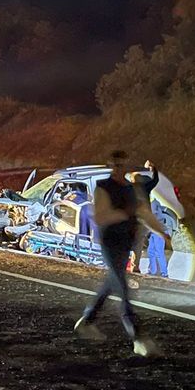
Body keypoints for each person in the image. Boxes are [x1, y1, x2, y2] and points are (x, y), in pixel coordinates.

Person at [73, 150, 171, 357]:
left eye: (123, 165)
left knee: (112, 283)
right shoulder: (103, 188)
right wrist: (123, 213)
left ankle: (87, 321)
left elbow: (143, 212)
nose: (120, 169)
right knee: (123, 287)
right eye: (116, 165)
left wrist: (161, 232)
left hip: (127, 241)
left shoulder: (131, 189)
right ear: (111, 166)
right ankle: (138, 338)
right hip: (110, 242)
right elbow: (100, 217)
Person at [146, 202, 174, 278]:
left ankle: (164, 273)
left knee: (159, 252)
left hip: (158, 231)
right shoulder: (152, 204)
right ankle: (153, 270)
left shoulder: (153, 204)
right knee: (151, 251)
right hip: (153, 232)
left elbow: (154, 217)